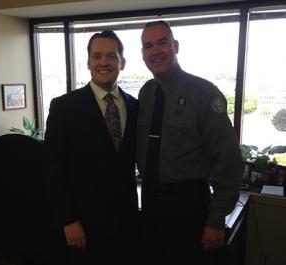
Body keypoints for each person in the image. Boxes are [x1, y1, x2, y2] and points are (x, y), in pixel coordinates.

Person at [136, 20, 244, 265]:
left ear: (175, 46)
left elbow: (228, 161)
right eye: (148, 46)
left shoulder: (204, 93)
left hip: (188, 206)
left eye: (162, 42)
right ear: (143, 54)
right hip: (150, 201)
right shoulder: (146, 93)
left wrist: (216, 220)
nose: (156, 51)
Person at [43, 30, 139, 265]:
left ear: (122, 62)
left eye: (111, 56)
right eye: (97, 56)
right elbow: (52, 170)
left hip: (126, 225)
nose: (103, 62)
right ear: (88, 62)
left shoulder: (135, 106)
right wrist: (68, 221)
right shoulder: (64, 107)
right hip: (83, 227)